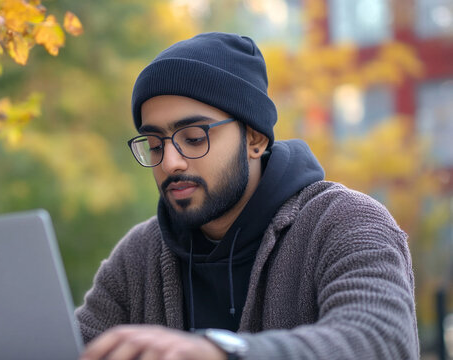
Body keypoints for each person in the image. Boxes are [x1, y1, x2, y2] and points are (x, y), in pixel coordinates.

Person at [76, 32, 419, 360]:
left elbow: (380, 341)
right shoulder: (140, 255)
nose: (169, 162)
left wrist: (222, 352)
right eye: (154, 145)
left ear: (254, 139)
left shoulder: (346, 222)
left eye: (194, 138)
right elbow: (72, 346)